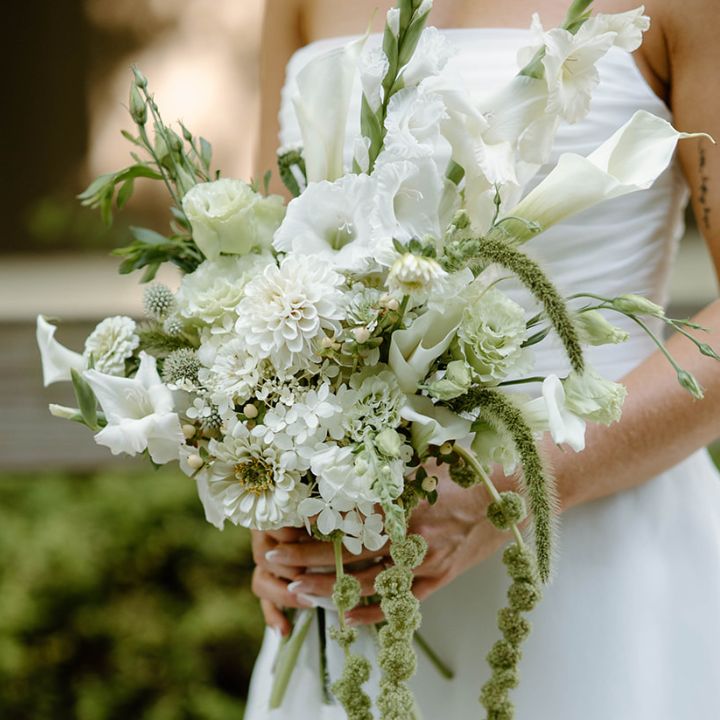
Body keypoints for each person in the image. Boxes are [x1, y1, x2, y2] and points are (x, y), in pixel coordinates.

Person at [246, 1, 720, 717]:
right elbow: (267, 272)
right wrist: (272, 483)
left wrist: (510, 491)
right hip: (355, 566)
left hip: (602, 563)